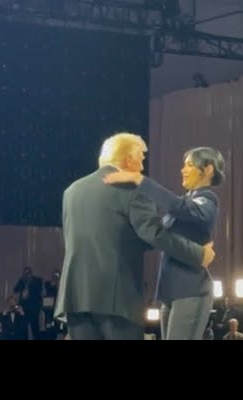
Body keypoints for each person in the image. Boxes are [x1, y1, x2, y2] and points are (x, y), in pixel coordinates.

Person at [54, 133, 215, 340]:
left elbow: (105, 238)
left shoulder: (72, 192)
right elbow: (153, 233)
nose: (141, 168)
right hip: (116, 300)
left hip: (75, 298)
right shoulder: (132, 189)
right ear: (128, 160)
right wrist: (198, 253)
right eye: (140, 160)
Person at [104, 146, 225, 341]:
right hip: (170, 292)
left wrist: (140, 180)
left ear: (208, 169)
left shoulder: (207, 199)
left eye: (190, 165)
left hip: (191, 290)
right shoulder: (186, 200)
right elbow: (157, 235)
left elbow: (179, 207)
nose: (182, 170)